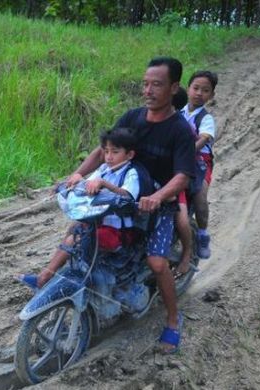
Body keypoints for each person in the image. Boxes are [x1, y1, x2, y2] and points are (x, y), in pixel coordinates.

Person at [66, 57, 196, 354]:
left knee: (157, 262)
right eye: (145, 83)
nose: (148, 90)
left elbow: (184, 175)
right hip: (121, 198)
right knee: (78, 231)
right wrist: (78, 174)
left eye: (157, 85)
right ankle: (54, 278)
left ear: (174, 87)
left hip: (158, 206)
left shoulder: (180, 131)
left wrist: (159, 196)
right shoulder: (132, 117)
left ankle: (173, 320)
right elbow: (103, 152)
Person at [19, 128, 142, 290]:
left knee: (75, 238)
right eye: (106, 152)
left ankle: (44, 277)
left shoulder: (130, 173)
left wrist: (104, 184)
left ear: (129, 155)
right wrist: (74, 181)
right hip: (99, 222)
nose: (109, 157)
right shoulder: (104, 169)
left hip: (117, 231)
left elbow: (127, 195)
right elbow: (86, 183)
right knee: (74, 228)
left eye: (115, 152)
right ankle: (60, 269)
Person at [175, 70, 218, 274]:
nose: (199, 93)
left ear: (211, 95)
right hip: (177, 159)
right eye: (196, 88)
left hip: (200, 161)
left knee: (200, 195)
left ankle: (201, 234)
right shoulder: (178, 112)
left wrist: (188, 150)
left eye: (205, 90)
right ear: (188, 88)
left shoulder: (206, 118)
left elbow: (202, 140)